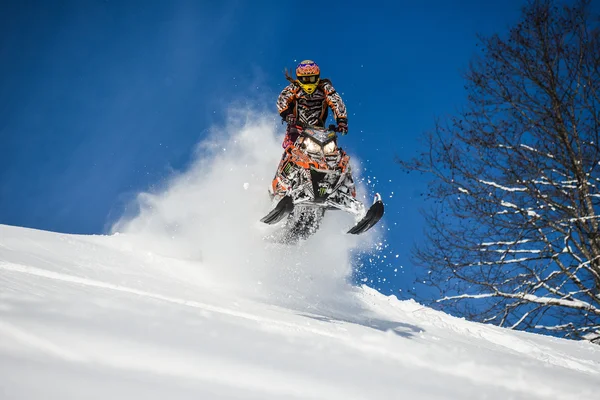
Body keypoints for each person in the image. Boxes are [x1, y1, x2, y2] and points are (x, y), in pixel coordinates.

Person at [276, 60, 348, 148]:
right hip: (297, 128)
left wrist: (342, 121)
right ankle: (288, 158)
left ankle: (338, 160)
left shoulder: (325, 88)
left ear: (317, 77)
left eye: (312, 78)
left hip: (319, 131)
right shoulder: (294, 87)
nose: (309, 82)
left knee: (332, 148)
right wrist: (287, 114)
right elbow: (282, 99)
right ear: (299, 78)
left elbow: (337, 101)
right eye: (305, 79)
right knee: (291, 147)